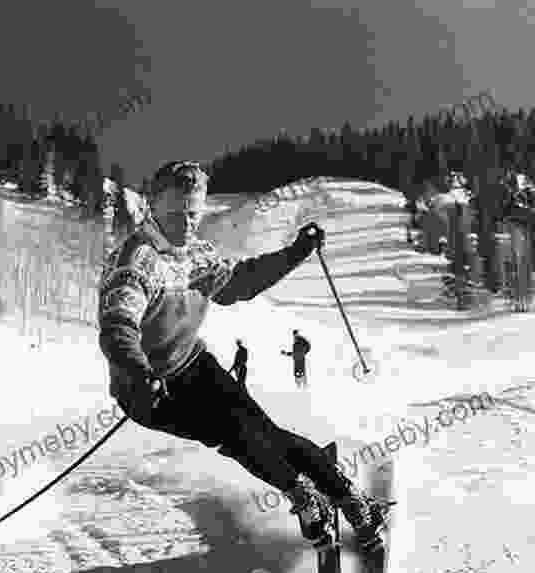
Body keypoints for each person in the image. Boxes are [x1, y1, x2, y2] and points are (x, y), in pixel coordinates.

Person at [98, 161, 389, 551]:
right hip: (149, 390)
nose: (186, 223)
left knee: (263, 432)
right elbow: (118, 326)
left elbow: (240, 282)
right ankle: (306, 495)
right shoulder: (137, 261)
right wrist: (138, 371)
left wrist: (296, 253)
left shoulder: (196, 254)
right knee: (239, 436)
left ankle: (348, 498)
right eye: (175, 212)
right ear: (153, 207)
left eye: (193, 213)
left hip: (193, 366)